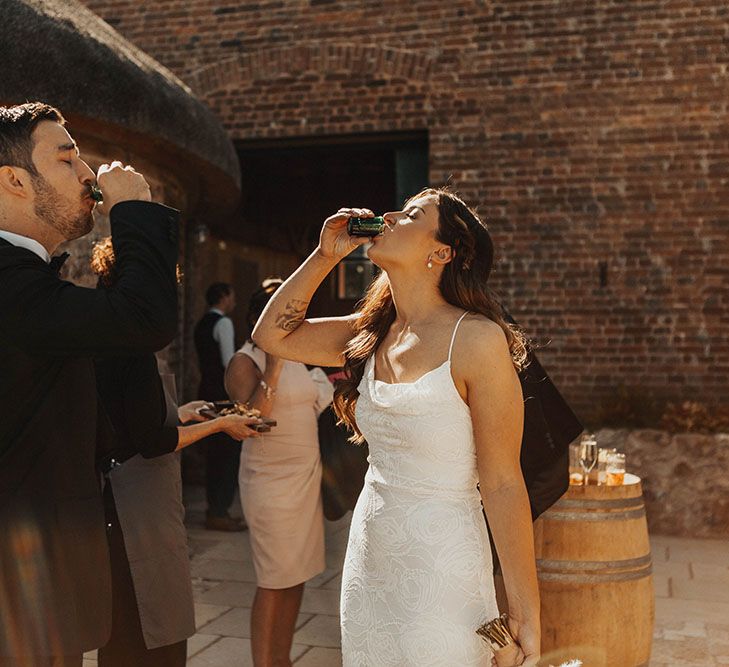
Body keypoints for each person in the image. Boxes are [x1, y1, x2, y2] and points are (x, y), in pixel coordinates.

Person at [251, 190, 542, 665]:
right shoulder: (369, 333)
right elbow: (272, 336)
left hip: (444, 564)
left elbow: (504, 482)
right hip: (371, 556)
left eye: (411, 215)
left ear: (441, 252)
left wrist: (524, 612)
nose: (388, 216)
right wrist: (325, 256)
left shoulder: (475, 339)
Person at [0, 102, 178, 666]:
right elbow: (144, 320)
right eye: (68, 158)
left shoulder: (28, 280)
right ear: (14, 180)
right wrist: (132, 215)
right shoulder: (10, 284)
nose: (87, 175)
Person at [91, 240, 263, 667]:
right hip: (135, 512)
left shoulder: (110, 336)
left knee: (138, 628)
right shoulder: (131, 347)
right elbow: (153, 440)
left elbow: (133, 419)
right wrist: (222, 424)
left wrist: (180, 412)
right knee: (146, 632)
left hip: (135, 505)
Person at [225, 278, 332, 667]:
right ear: (259, 319)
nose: (291, 320)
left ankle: (282, 659)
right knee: (273, 577)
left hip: (305, 478)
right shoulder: (244, 361)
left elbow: (316, 401)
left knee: (297, 574)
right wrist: (273, 367)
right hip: (269, 482)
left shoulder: (300, 354)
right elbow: (252, 419)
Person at [194, 282, 245, 531]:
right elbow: (228, 362)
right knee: (226, 453)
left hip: (206, 391)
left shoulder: (201, 323)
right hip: (222, 395)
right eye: (232, 296)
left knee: (214, 453)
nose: (233, 301)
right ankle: (220, 511)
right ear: (224, 297)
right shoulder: (223, 323)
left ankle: (214, 508)